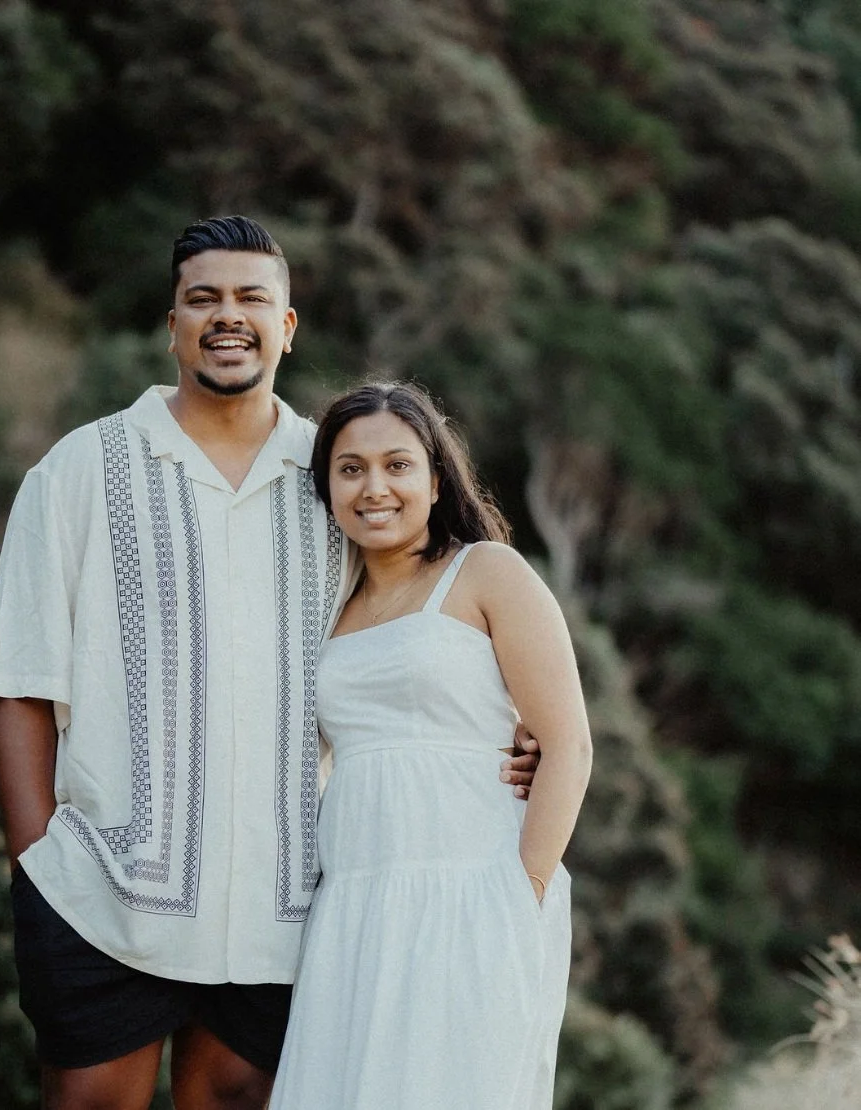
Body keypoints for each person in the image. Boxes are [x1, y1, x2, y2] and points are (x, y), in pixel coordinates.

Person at [0, 216, 540, 1110]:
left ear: (287, 327)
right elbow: (18, 688)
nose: (226, 316)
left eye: (252, 299)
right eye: (203, 299)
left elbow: (415, 631)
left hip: (286, 910)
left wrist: (507, 734)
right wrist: (35, 867)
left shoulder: (336, 481)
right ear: (172, 325)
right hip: (104, 899)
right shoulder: (77, 472)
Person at [269, 381, 592, 1110]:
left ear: (436, 478)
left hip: (473, 895)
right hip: (351, 906)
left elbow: (568, 744)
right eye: (350, 470)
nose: (374, 487)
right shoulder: (328, 604)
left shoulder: (486, 573)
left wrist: (522, 893)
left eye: (397, 465)